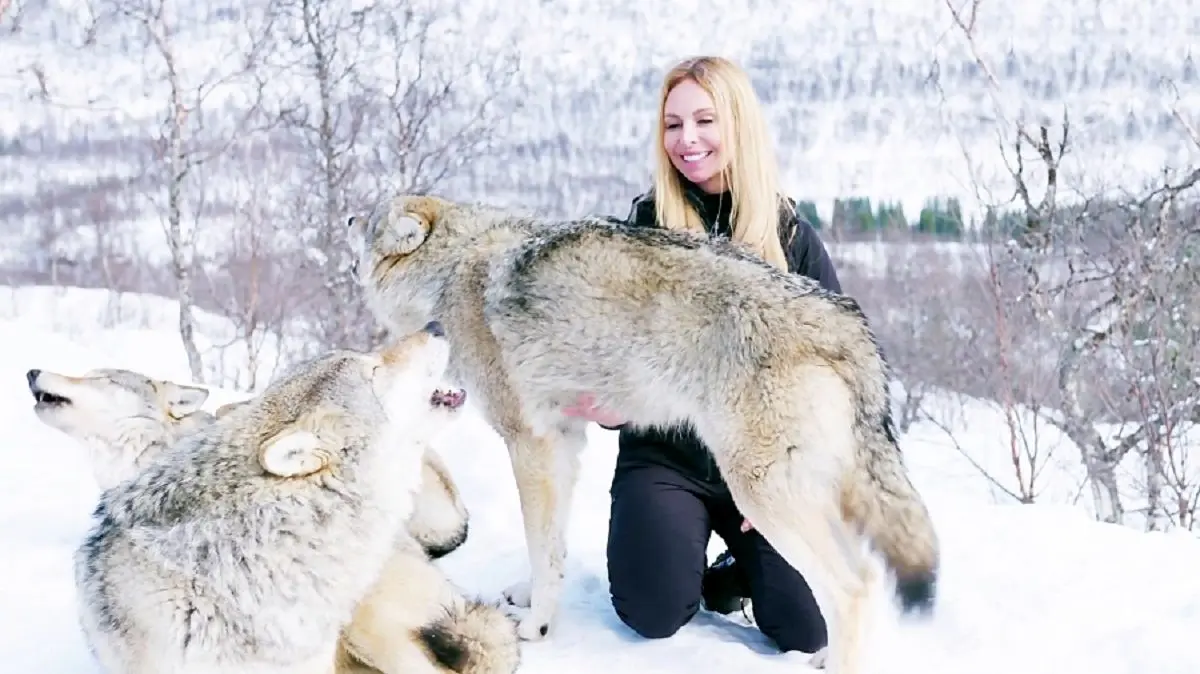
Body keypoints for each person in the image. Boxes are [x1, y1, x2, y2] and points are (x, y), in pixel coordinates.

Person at [561, 55, 844, 656]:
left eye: (705, 121)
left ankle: (734, 576)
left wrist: (787, 480)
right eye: (672, 125)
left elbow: (833, 375)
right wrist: (608, 403)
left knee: (805, 627)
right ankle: (682, 560)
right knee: (654, 610)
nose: (686, 141)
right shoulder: (645, 226)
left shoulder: (792, 237)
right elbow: (610, 343)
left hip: (762, 465)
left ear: (738, 124)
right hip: (668, 457)